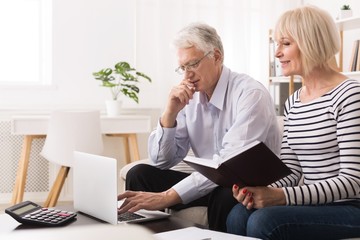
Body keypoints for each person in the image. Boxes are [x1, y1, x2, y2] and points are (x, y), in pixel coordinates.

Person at [117, 22, 281, 232]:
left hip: (241, 185)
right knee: (139, 174)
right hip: (209, 182)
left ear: (217, 56)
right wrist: (170, 114)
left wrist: (166, 197)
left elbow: (227, 167)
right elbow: (163, 161)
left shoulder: (250, 94)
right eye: (182, 68)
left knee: (225, 192)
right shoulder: (189, 97)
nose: (187, 75)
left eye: (193, 64)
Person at [226, 5, 360, 239]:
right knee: (238, 214)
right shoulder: (294, 101)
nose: (277, 53)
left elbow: (352, 181)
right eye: (277, 44)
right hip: (315, 204)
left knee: (264, 222)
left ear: (312, 43)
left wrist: (282, 197)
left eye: (285, 44)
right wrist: (256, 189)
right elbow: (291, 169)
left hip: (350, 207)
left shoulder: (349, 94)